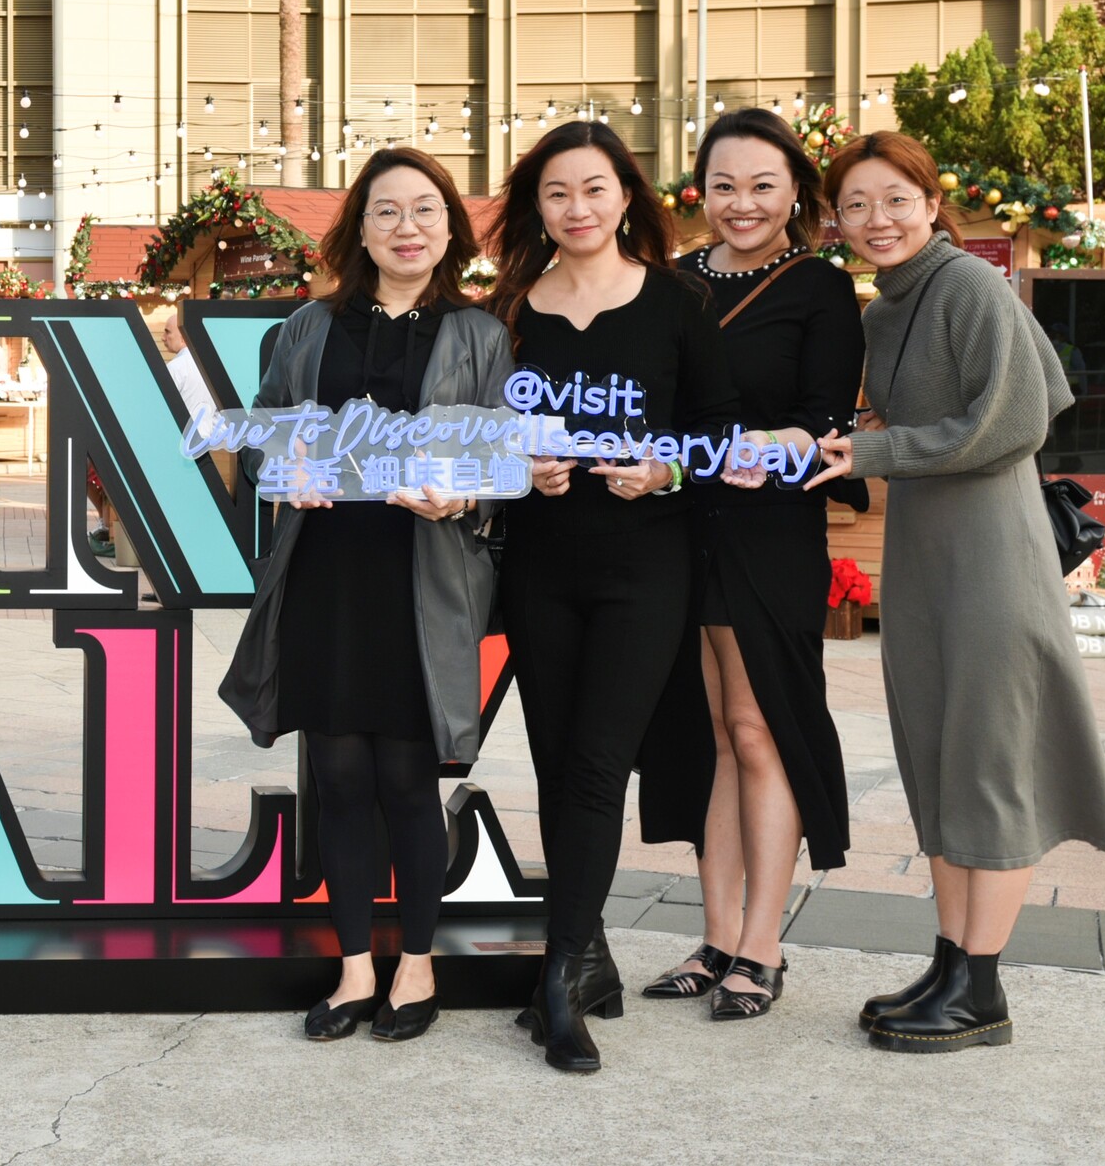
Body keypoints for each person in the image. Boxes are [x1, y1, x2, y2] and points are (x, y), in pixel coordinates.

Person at [808, 131, 1105, 1053]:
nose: (876, 219)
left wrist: (875, 448)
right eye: (855, 204)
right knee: (937, 754)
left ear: (929, 201)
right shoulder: (884, 308)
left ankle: (979, 989)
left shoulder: (970, 287)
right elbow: (915, 416)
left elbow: (1017, 417)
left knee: (987, 763)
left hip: (990, 553)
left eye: (894, 199)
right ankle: (950, 963)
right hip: (923, 551)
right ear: (835, 219)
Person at [219, 146, 513, 1045]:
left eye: (424, 210)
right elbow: (263, 433)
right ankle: (354, 969)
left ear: (449, 229)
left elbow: (503, 455)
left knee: (407, 780)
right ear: (360, 229)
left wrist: (463, 494)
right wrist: (284, 467)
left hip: (421, 578)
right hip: (327, 574)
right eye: (386, 210)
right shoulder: (308, 326)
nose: (405, 227)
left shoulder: (479, 334)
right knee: (339, 778)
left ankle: (415, 966)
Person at [488, 120, 740, 1075]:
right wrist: (520, 467)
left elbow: (717, 432)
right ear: (537, 206)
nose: (577, 208)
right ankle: (587, 956)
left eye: (593, 188)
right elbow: (478, 431)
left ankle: (556, 977)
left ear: (625, 196)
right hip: (539, 566)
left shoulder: (676, 302)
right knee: (556, 765)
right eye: (557, 192)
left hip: (644, 567)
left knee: (597, 764)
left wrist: (664, 469)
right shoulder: (509, 310)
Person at [637, 111, 863, 1021]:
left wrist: (774, 443)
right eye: (723, 185)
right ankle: (716, 935)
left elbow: (825, 417)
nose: (742, 203)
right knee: (710, 733)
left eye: (763, 185)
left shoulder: (821, 287)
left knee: (758, 725)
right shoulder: (671, 280)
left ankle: (762, 944)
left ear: (794, 191)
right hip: (680, 525)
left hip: (769, 531)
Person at [160, 305, 216, 423]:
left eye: (167, 332)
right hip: (212, 432)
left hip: (183, 431)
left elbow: (162, 407)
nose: (163, 338)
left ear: (183, 335)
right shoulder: (211, 364)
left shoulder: (175, 367)